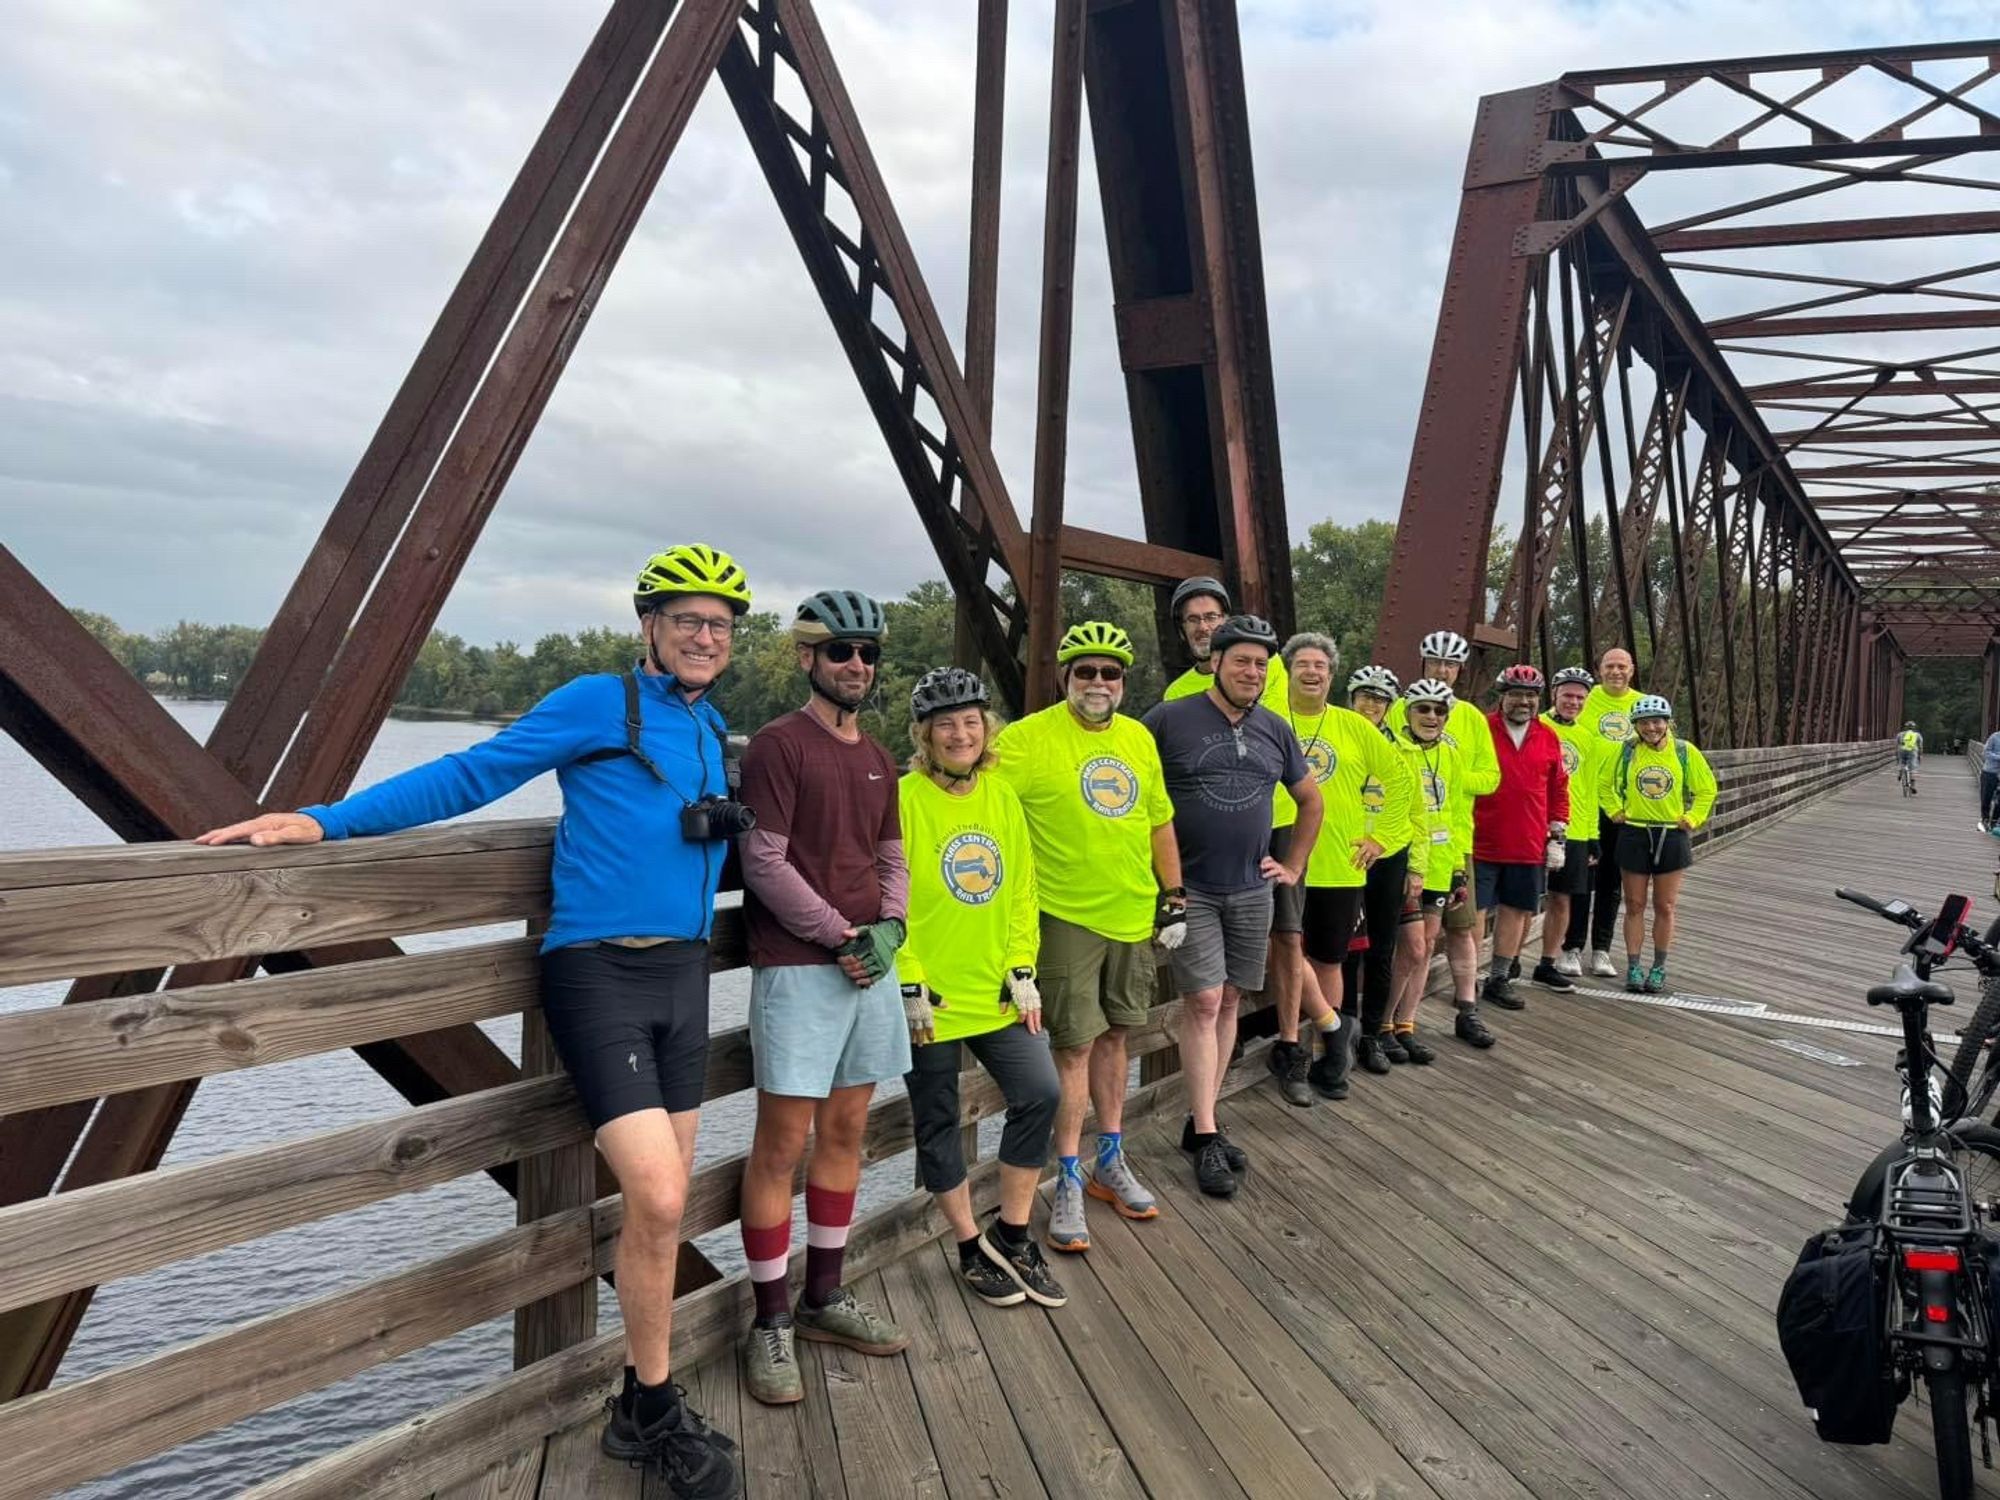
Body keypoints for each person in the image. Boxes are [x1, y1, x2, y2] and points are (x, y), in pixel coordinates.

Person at [195, 545, 750, 1497]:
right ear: (649, 626)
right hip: (598, 974)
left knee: (666, 1208)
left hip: (686, 979)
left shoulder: (713, 724)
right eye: (690, 619)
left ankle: (640, 1400)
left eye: (723, 624)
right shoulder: (595, 701)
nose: (708, 637)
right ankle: (654, 1407)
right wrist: (325, 822)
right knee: (656, 1198)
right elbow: (474, 773)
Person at [736, 589, 911, 1407]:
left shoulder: (878, 754)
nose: (856, 666)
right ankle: (768, 1319)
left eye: (868, 654)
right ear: (807, 658)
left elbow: (891, 851)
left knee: (846, 1131)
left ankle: (823, 1298)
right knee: (781, 1145)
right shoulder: (778, 746)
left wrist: (893, 928)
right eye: (840, 651)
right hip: (800, 967)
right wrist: (842, 934)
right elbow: (763, 861)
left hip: (868, 969)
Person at [991, 621, 1182, 1255]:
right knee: (1071, 1049)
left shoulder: (1136, 738)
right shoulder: (1024, 740)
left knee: (1119, 1038)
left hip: (1133, 912)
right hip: (1065, 917)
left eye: (1111, 673)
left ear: (1123, 682)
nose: (1099, 683)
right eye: (1085, 672)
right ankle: (1067, 1177)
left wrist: (1173, 895)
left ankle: (1110, 1160)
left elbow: (1159, 821)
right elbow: (975, 801)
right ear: (1065, 678)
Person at [896, 667, 1067, 1309]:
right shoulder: (904, 797)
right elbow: (888, 894)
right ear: (925, 735)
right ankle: (969, 1247)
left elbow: (1022, 888)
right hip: (931, 999)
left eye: (971, 722)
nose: (960, 734)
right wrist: (907, 977)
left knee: (1041, 1093)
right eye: (946, 725)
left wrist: (1022, 964)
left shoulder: (1000, 795)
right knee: (937, 1118)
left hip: (996, 989)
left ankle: (1014, 1232)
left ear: (985, 729)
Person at [1143, 615, 1322, 1196]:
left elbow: (1309, 801)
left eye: (1261, 664)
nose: (1253, 672)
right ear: (1215, 661)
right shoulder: (1170, 719)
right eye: (1242, 660)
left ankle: (1205, 1125)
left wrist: (1292, 866)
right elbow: (1130, 788)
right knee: (1203, 999)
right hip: (1190, 888)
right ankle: (1205, 1128)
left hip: (1251, 887)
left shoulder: (1274, 728)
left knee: (1230, 1002)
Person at [1160, 576, 1301, 1078]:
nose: (1203, 625)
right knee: (1208, 993)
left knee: (1286, 938)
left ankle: (1294, 1038)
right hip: (1201, 858)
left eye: (1211, 616)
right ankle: (1210, 1094)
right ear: (1184, 631)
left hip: (1271, 824)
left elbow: (1274, 725)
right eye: (1193, 619)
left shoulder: (1266, 665)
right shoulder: (1175, 698)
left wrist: (1294, 860)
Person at [1269, 637, 1405, 1102]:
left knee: (1328, 960)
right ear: (1286, 670)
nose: (1312, 671)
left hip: (1339, 865)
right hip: (1281, 860)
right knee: (1286, 954)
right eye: (1303, 664)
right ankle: (1303, 1046)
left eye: (1321, 665)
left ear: (1332, 676)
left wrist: (1380, 837)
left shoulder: (1355, 727)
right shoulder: (1267, 719)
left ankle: (1332, 1054)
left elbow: (1400, 781)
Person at [1388, 630, 1499, 1038]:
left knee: (1461, 928)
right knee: (1409, 935)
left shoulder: (1469, 717)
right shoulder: (1401, 706)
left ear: (1460, 669)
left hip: (1454, 839)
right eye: (1436, 662)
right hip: (1405, 839)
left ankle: (1467, 1009)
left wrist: (1447, 773)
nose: (1443, 670)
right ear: (1423, 662)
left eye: (1450, 664)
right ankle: (1392, 1019)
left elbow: (1491, 777)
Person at [1600, 694, 1718, 995]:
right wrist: (1614, 809)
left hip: (1670, 835)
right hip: (1635, 832)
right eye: (1643, 723)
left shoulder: (1683, 751)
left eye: (1656, 721)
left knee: (1665, 905)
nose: (1650, 728)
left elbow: (1706, 789)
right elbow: (1604, 784)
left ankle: (1659, 967)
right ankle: (1634, 966)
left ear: (1667, 723)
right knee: (1635, 904)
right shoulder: (1627, 751)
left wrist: (1693, 817)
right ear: (1636, 726)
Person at [1472, 664, 1570, 1011]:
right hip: (1481, 839)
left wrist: (1557, 834)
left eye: (1530, 696)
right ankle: (1468, 978)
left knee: (1515, 910)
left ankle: (1498, 978)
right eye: (1516, 694)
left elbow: (1558, 788)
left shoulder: (1547, 735)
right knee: (1475, 912)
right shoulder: (1481, 728)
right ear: (1503, 697)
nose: (1523, 702)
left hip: (1528, 841)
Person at [1338, 665, 1420, 1072]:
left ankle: (1372, 1034)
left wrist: (1416, 867)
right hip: (1346, 854)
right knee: (1346, 951)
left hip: (1388, 856)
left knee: (1383, 948)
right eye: (1364, 696)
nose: (1371, 704)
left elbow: (1416, 811)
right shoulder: (1338, 740)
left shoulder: (1404, 750)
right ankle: (1342, 1035)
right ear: (1351, 698)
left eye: (1380, 698)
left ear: (1390, 707)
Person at [1386, 676, 1472, 1055]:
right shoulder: (1394, 749)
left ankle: (1406, 1024)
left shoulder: (1450, 755)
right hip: (1407, 864)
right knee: (1411, 948)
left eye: (1440, 710)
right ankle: (1383, 1023)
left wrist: (1457, 869)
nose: (1432, 716)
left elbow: (1452, 814)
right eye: (1423, 708)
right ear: (1407, 712)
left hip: (1439, 866)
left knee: (1425, 948)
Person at [1570, 647, 1642, 976]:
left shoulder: (1642, 704)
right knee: (1581, 878)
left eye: (1621, 666)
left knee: (1613, 880)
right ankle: (1571, 947)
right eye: (1609, 666)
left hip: (1624, 809)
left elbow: (1663, 749)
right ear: (1599, 670)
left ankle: (1601, 950)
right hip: (1585, 804)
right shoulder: (1585, 699)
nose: (1616, 671)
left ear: (1632, 670)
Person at [1538, 667, 1601, 983]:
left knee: (1562, 899)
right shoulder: (1537, 726)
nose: (1573, 702)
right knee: (1524, 901)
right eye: (1567, 695)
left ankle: (1548, 962)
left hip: (1573, 830)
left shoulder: (1587, 737)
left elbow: (1589, 791)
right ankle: (1505, 963)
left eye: (1580, 697)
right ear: (1554, 694)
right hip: (1536, 825)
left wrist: (1593, 837)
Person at [1979, 725, 2000, 833]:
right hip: (1990, 772)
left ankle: (1995, 820)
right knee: (1986, 797)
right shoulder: (1995, 737)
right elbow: (1985, 752)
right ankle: (1985, 819)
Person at [1898, 722, 1923, 794]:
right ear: (1914, 728)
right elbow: (1920, 746)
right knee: (1912, 769)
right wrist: (1920, 755)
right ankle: (1913, 786)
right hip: (1912, 751)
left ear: (1905, 727)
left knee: (1902, 762)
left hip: (1902, 751)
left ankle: (1900, 773)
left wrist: (1897, 755)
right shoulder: (1917, 735)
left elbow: (1897, 745)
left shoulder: (1900, 734)